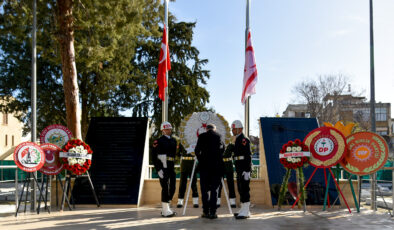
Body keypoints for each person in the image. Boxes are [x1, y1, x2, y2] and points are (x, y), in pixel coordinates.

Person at [195, 124, 225, 219]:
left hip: (204, 168)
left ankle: (205, 211)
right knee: (214, 191)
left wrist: (202, 159)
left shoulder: (201, 136)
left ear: (206, 129)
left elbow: (197, 151)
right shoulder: (218, 136)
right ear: (214, 129)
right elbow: (222, 150)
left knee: (204, 190)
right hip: (216, 168)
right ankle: (213, 212)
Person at [152, 121, 177, 217]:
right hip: (163, 166)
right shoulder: (158, 141)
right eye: (166, 129)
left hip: (171, 166)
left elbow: (174, 155)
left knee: (173, 187)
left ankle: (167, 205)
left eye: (169, 129)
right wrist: (158, 169)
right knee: (165, 188)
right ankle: (165, 210)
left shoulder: (174, 140)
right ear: (162, 130)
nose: (168, 130)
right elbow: (154, 156)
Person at [231, 120, 252, 219]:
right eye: (232, 129)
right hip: (240, 167)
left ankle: (246, 211)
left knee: (245, 189)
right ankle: (243, 208)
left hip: (244, 168)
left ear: (240, 129)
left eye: (234, 129)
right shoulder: (238, 139)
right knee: (240, 188)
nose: (232, 130)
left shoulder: (244, 139)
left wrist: (247, 170)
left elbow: (248, 156)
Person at [176, 143, 199, 208]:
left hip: (192, 164)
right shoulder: (182, 142)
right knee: (182, 184)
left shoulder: (195, 142)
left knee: (194, 184)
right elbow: (177, 153)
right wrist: (182, 155)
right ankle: (180, 201)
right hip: (184, 165)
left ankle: (195, 202)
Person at [217, 139, 237, 208]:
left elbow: (236, 153)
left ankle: (232, 201)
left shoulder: (231, 145)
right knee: (219, 184)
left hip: (229, 166)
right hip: (220, 165)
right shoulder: (218, 143)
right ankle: (217, 201)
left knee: (230, 184)